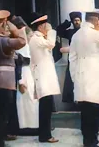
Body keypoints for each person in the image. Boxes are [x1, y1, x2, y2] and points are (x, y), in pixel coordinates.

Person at [69, 11, 99, 147]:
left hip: (81, 77)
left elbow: (72, 59)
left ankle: (88, 142)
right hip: (94, 77)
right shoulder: (95, 34)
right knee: (95, 112)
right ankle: (93, 142)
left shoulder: (76, 35)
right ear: (97, 20)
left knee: (85, 113)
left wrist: (75, 78)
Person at [0, 10, 26, 147]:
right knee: (1, 116)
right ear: (4, 23)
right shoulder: (1, 41)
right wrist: (16, 29)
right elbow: (22, 41)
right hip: (3, 83)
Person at [29, 12, 60, 143]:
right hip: (42, 77)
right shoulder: (37, 39)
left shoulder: (40, 38)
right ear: (41, 26)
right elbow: (52, 44)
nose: (48, 27)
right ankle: (44, 135)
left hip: (45, 77)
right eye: (46, 25)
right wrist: (52, 31)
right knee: (45, 108)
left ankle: (45, 134)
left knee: (47, 108)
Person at [57, 11, 82, 103]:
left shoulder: (83, 31)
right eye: (75, 21)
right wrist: (66, 24)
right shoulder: (70, 32)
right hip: (72, 58)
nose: (77, 22)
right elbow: (59, 31)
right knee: (72, 79)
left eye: (78, 20)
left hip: (82, 57)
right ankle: (72, 100)